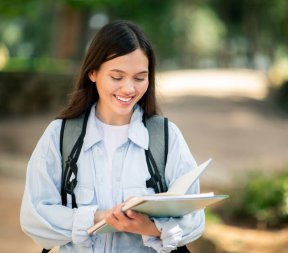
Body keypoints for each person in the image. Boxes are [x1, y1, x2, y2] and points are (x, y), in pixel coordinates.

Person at [20, 20, 205, 253]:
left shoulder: (167, 136)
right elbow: (35, 217)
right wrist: (98, 218)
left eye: (139, 78)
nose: (129, 89)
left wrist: (151, 227)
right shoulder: (59, 135)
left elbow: (195, 220)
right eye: (117, 77)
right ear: (93, 73)